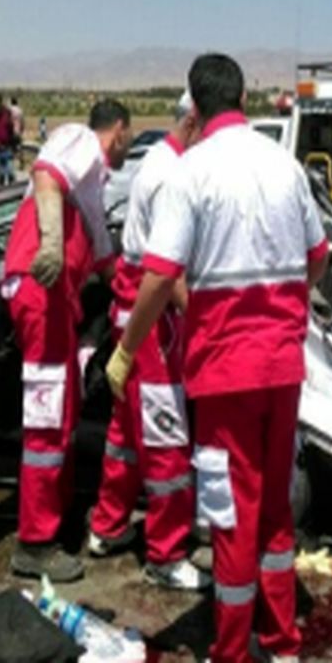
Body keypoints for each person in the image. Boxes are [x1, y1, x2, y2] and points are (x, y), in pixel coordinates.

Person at [107, 55, 328, 663]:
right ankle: (282, 642)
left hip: (225, 373)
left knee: (231, 516)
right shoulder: (284, 165)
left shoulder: (191, 170)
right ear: (244, 98)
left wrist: (127, 350)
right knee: (275, 507)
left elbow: (157, 278)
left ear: (195, 111)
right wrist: (283, 304)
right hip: (283, 369)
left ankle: (231, 651)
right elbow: (318, 255)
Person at [1, 99, 134, 581]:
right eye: (128, 136)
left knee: (62, 414)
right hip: (41, 289)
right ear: (117, 130)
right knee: (47, 420)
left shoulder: (94, 187)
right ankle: (34, 544)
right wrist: (53, 243)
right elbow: (45, 175)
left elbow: (106, 261)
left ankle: (55, 519)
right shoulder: (79, 140)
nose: (127, 145)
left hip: (58, 301)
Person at [88, 92, 209, 591]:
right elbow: (166, 271)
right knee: (166, 443)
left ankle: (108, 527)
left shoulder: (162, 162)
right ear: (194, 121)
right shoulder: (169, 175)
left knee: (126, 436)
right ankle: (165, 553)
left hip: (137, 314)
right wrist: (205, 321)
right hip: (150, 319)